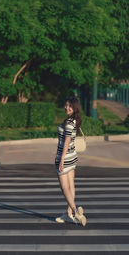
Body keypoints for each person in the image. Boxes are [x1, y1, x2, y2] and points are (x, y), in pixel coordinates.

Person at [55, 96, 87, 226]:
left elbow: (67, 141)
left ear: (75, 108)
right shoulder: (74, 120)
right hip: (72, 156)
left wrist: (61, 160)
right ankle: (69, 213)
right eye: (66, 105)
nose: (67, 107)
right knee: (71, 185)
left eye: (70, 106)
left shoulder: (69, 122)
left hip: (65, 157)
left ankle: (75, 211)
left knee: (64, 187)